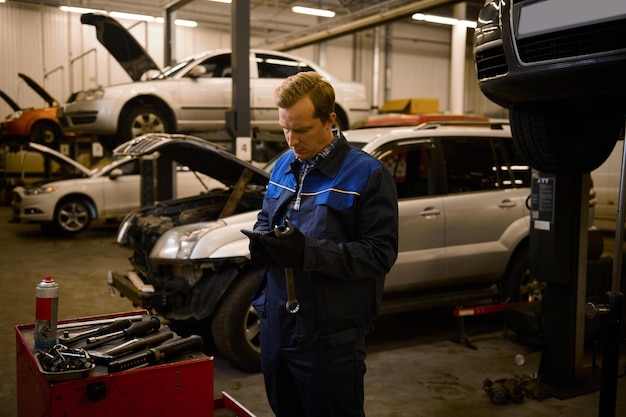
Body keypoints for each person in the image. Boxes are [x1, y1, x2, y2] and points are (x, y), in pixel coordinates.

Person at [243, 71, 399, 417]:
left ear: (330, 120)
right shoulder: (284, 165)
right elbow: (266, 218)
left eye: (301, 130)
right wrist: (262, 241)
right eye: (285, 129)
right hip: (276, 326)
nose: (291, 140)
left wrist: (307, 253)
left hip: (329, 336)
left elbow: (380, 254)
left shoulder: (368, 176)